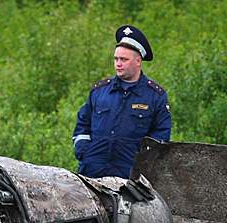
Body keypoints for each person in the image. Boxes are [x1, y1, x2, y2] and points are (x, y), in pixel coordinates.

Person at [73, 25, 172, 179]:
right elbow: (83, 125)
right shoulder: (99, 91)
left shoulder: (155, 96)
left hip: (130, 176)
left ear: (138, 61)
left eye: (123, 59)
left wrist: (144, 163)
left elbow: (160, 137)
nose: (118, 63)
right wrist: (84, 152)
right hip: (92, 173)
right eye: (116, 59)